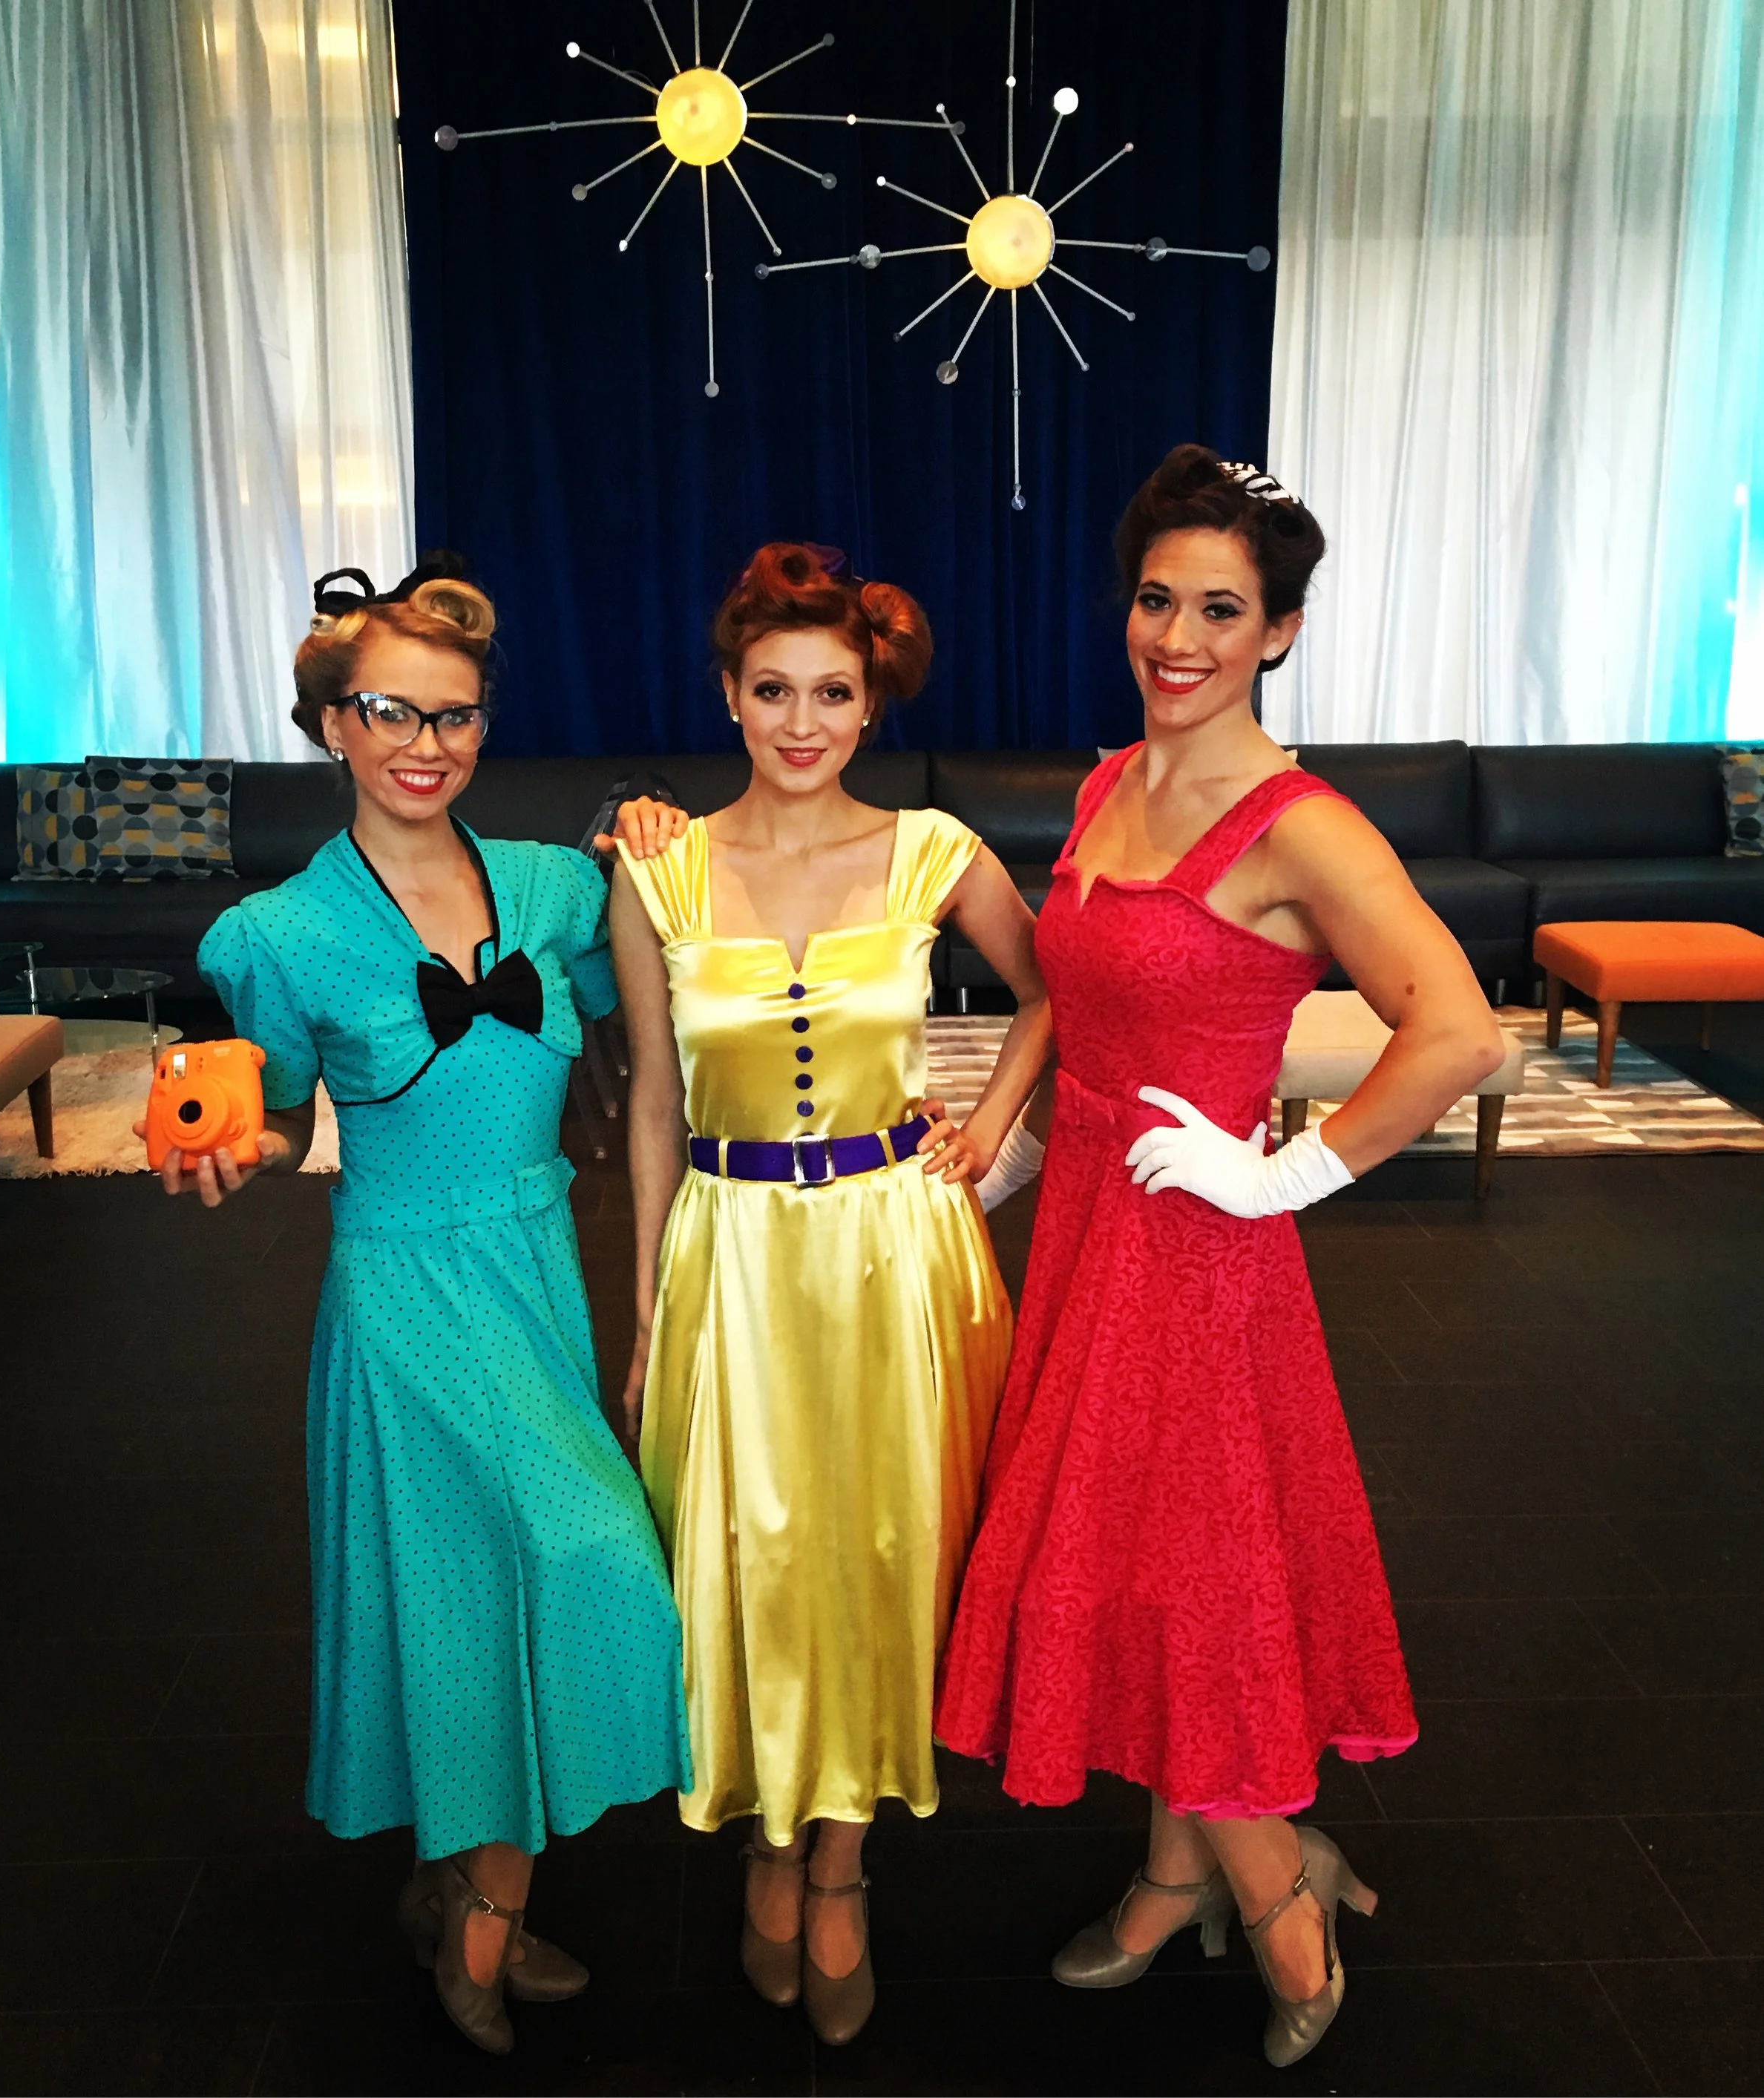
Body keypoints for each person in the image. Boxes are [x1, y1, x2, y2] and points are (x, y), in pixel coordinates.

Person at [934, 450, 1506, 2068]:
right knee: (1127, 1562)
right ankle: (1172, 1865)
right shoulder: (1117, 778)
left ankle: (1272, 1880)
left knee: (1186, 1571)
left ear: (1281, 631)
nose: (1174, 635)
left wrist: (1288, 1177)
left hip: (1198, 1257)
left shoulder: (1300, 825)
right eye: (1154, 598)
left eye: (1219, 610)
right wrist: (1020, 1136)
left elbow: (1452, 1029)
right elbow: (1081, 995)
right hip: (1089, 1235)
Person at [145, 560, 693, 2056]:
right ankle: (485, 1922)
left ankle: (452, 1887)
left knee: (480, 1592)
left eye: (452, 715)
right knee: (571, 1557)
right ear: (331, 721)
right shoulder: (276, 934)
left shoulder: (550, 887)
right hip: (398, 1290)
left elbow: (663, 961)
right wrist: (225, 1145)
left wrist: (649, 833)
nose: (422, 742)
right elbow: (268, 1109)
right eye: (387, 710)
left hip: (534, 1272)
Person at [612, 543, 1050, 2045]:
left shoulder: (931, 849)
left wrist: (990, 1123)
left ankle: (846, 1858)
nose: (802, 721)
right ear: (729, 696)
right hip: (729, 1251)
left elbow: (1057, 985)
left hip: (893, 1253)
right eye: (772, 690)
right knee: (745, 1554)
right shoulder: (654, 869)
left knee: (884, 1545)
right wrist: (649, 1303)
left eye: (833, 694)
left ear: (869, 708)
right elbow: (652, 1112)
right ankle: (766, 1837)